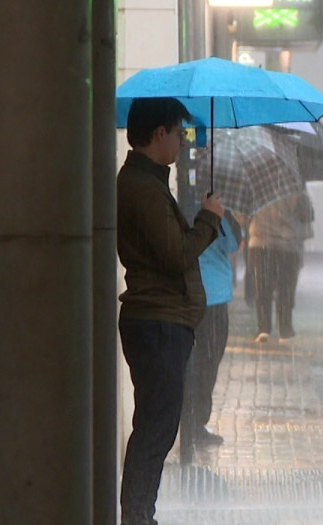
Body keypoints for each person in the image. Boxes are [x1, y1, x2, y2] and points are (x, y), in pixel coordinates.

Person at [116, 96, 223, 525]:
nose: (182, 142)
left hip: (163, 321)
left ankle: (141, 513)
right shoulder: (143, 189)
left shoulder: (150, 184)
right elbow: (175, 253)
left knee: (157, 427)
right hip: (158, 322)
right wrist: (209, 220)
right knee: (156, 430)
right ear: (159, 133)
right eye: (179, 133)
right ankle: (138, 516)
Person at [182, 210, 241, 447]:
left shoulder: (180, 207)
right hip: (213, 297)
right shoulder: (218, 214)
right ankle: (194, 421)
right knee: (208, 361)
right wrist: (225, 216)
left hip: (189, 294)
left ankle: (189, 420)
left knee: (195, 361)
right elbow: (233, 245)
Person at [248, 191, 313, 343]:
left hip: (260, 243)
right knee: (286, 288)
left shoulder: (256, 188)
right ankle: (285, 329)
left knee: (262, 286)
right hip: (288, 245)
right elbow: (308, 215)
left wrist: (252, 223)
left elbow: (242, 213)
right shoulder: (293, 189)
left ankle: (263, 328)